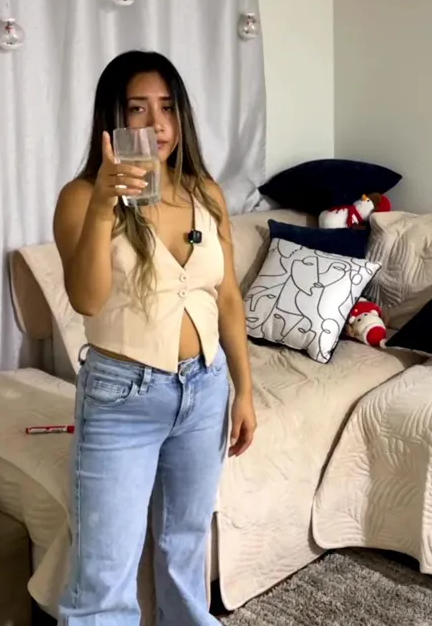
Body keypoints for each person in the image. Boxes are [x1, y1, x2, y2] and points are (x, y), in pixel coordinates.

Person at [52, 50, 257, 624]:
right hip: (122, 397)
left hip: (205, 389)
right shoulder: (80, 197)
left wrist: (244, 390)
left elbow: (228, 298)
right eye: (138, 109)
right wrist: (102, 207)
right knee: (104, 576)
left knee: (185, 546)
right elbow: (86, 300)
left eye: (167, 108)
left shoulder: (204, 192)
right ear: (113, 119)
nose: (156, 124)